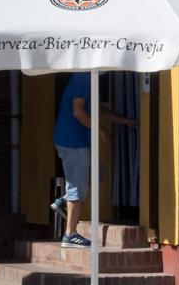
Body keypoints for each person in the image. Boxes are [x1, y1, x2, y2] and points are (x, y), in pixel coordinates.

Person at [49, 72, 137, 249]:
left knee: (97, 172)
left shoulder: (91, 79)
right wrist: (100, 130)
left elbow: (96, 110)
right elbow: (78, 111)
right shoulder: (84, 77)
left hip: (77, 141)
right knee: (78, 186)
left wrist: (124, 120)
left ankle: (64, 202)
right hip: (72, 141)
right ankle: (70, 234)